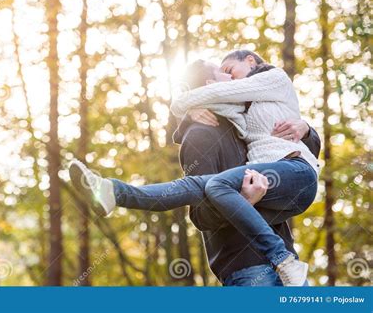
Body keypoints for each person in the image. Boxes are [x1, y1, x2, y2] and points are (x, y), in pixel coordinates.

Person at [69, 50, 320, 286]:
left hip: (285, 257)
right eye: (224, 73)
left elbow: (295, 151)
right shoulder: (202, 135)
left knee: (212, 184)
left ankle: (115, 192)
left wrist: (306, 129)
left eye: (230, 71)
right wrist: (245, 200)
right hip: (248, 266)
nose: (230, 77)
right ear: (211, 86)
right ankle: (113, 192)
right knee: (203, 186)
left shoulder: (245, 115)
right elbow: (201, 217)